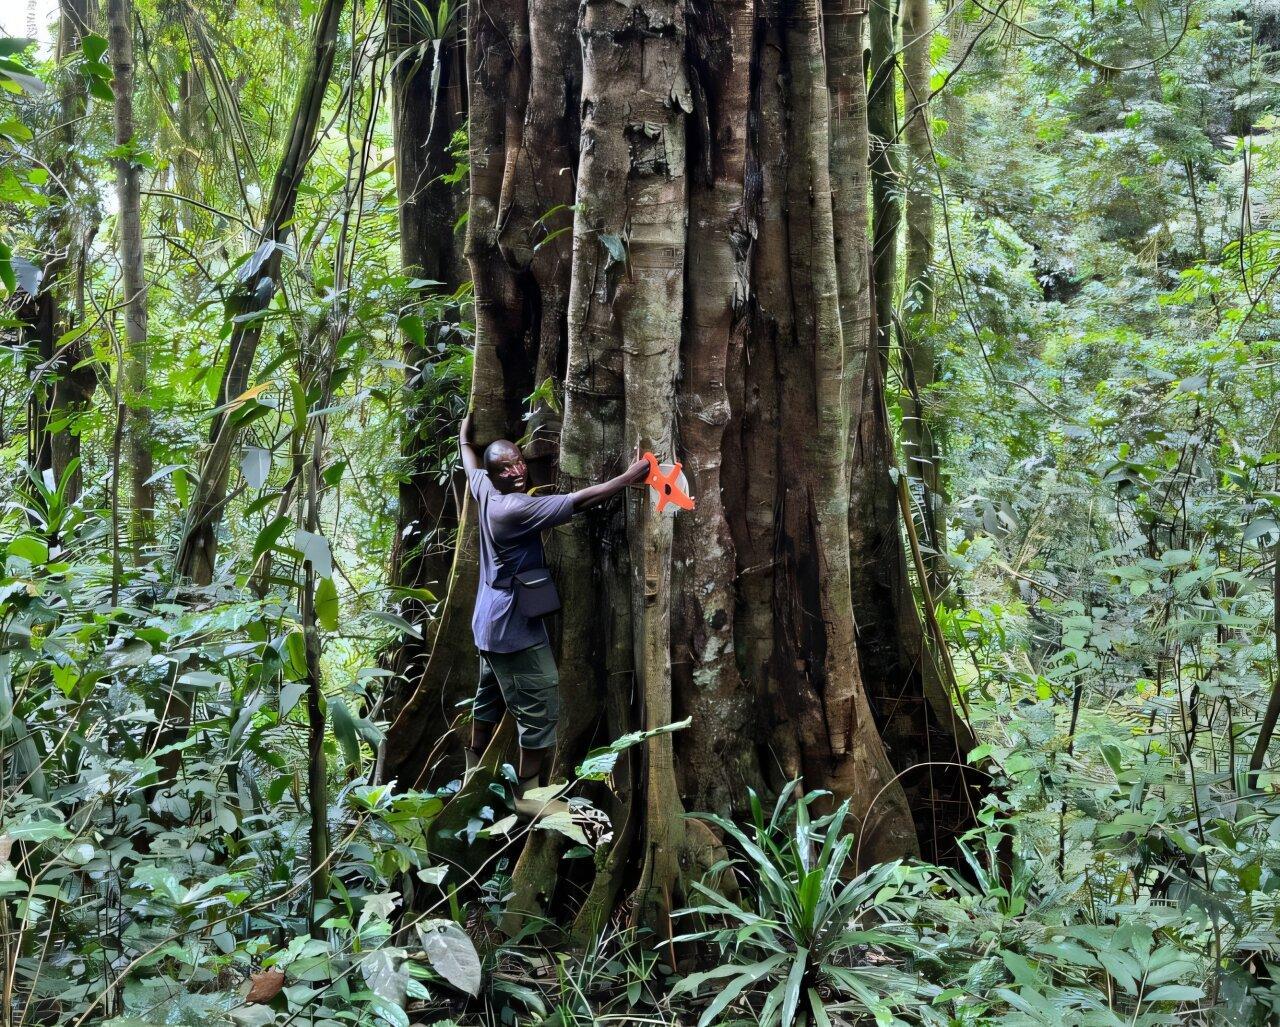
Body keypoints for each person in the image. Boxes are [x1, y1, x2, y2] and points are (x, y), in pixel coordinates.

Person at [458, 412, 647, 816]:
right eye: (505, 468)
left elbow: (469, 462)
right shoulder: (511, 509)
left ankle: (474, 764)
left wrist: (464, 437)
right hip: (512, 628)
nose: (517, 472)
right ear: (496, 477)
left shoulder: (482, 488)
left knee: (488, 692)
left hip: (488, 622)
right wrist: (629, 477)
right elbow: (581, 500)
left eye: (519, 462)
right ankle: (526, 795)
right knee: (540, 699)